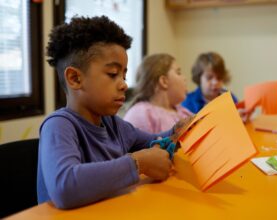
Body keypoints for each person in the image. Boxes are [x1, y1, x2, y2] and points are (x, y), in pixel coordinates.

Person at [37, 16, 179, 209]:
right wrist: (138, 163)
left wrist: (178, 131)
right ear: (75, 78)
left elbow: (154, 141)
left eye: (124, 75)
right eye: (113, 74)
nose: (123, 84)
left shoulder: (113, 124)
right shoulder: (59, 126)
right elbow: (65, 187)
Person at [124, 54, 193, 133]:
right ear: (164, 81)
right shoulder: (140, 114)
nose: (184, 78)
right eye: (178, 72)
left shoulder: (183, 112)